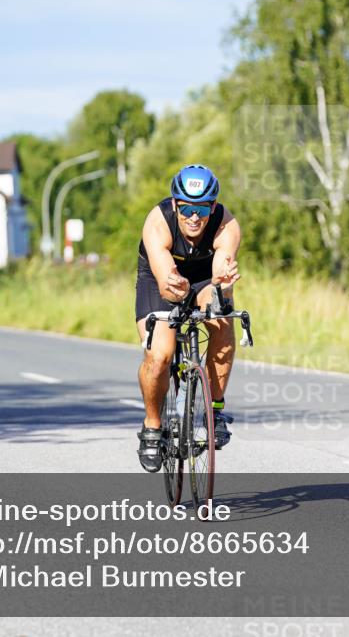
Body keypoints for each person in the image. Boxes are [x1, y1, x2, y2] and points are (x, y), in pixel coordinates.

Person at [134, 164, 241, 472]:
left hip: (204, 278)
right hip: (161, 279)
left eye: (203, 208)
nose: (195, 216)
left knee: (221, 315)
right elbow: (164, 274)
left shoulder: (226, 225)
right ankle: (152, 426)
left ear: (214, 206)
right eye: (188, 208)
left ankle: (215, 410)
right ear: (177, 204)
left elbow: (222, 266)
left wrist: (222, 284)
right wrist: (177, 289)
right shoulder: (158, 223)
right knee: (160, 355)